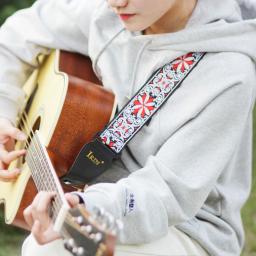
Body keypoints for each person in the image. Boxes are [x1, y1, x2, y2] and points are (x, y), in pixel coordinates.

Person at [0, 0, 255, 255]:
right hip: (92, 194)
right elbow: (18, 32)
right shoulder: (108, 17)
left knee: (55, 247)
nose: (115, 2)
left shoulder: (228, 73)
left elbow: (165, 194)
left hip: (187, 228)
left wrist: (91, 206)